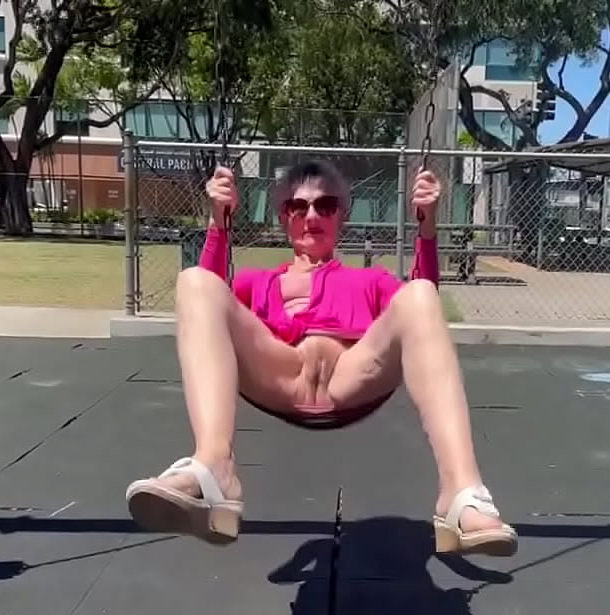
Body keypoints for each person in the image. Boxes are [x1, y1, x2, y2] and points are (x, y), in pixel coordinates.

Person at [125, 159, 518, 557]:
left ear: (341, 217)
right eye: (298, 207)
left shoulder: (370, 281)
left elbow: (424, 316)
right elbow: (208, 306)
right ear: (284, 217)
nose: (311, 215)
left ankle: (462, 492)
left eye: (325, 206)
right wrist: (218, 221)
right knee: (195, 282)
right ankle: (215, 467)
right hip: (278, 375)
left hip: (352, 376)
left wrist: (427, 224)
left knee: (418, 294)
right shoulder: (257, 282)